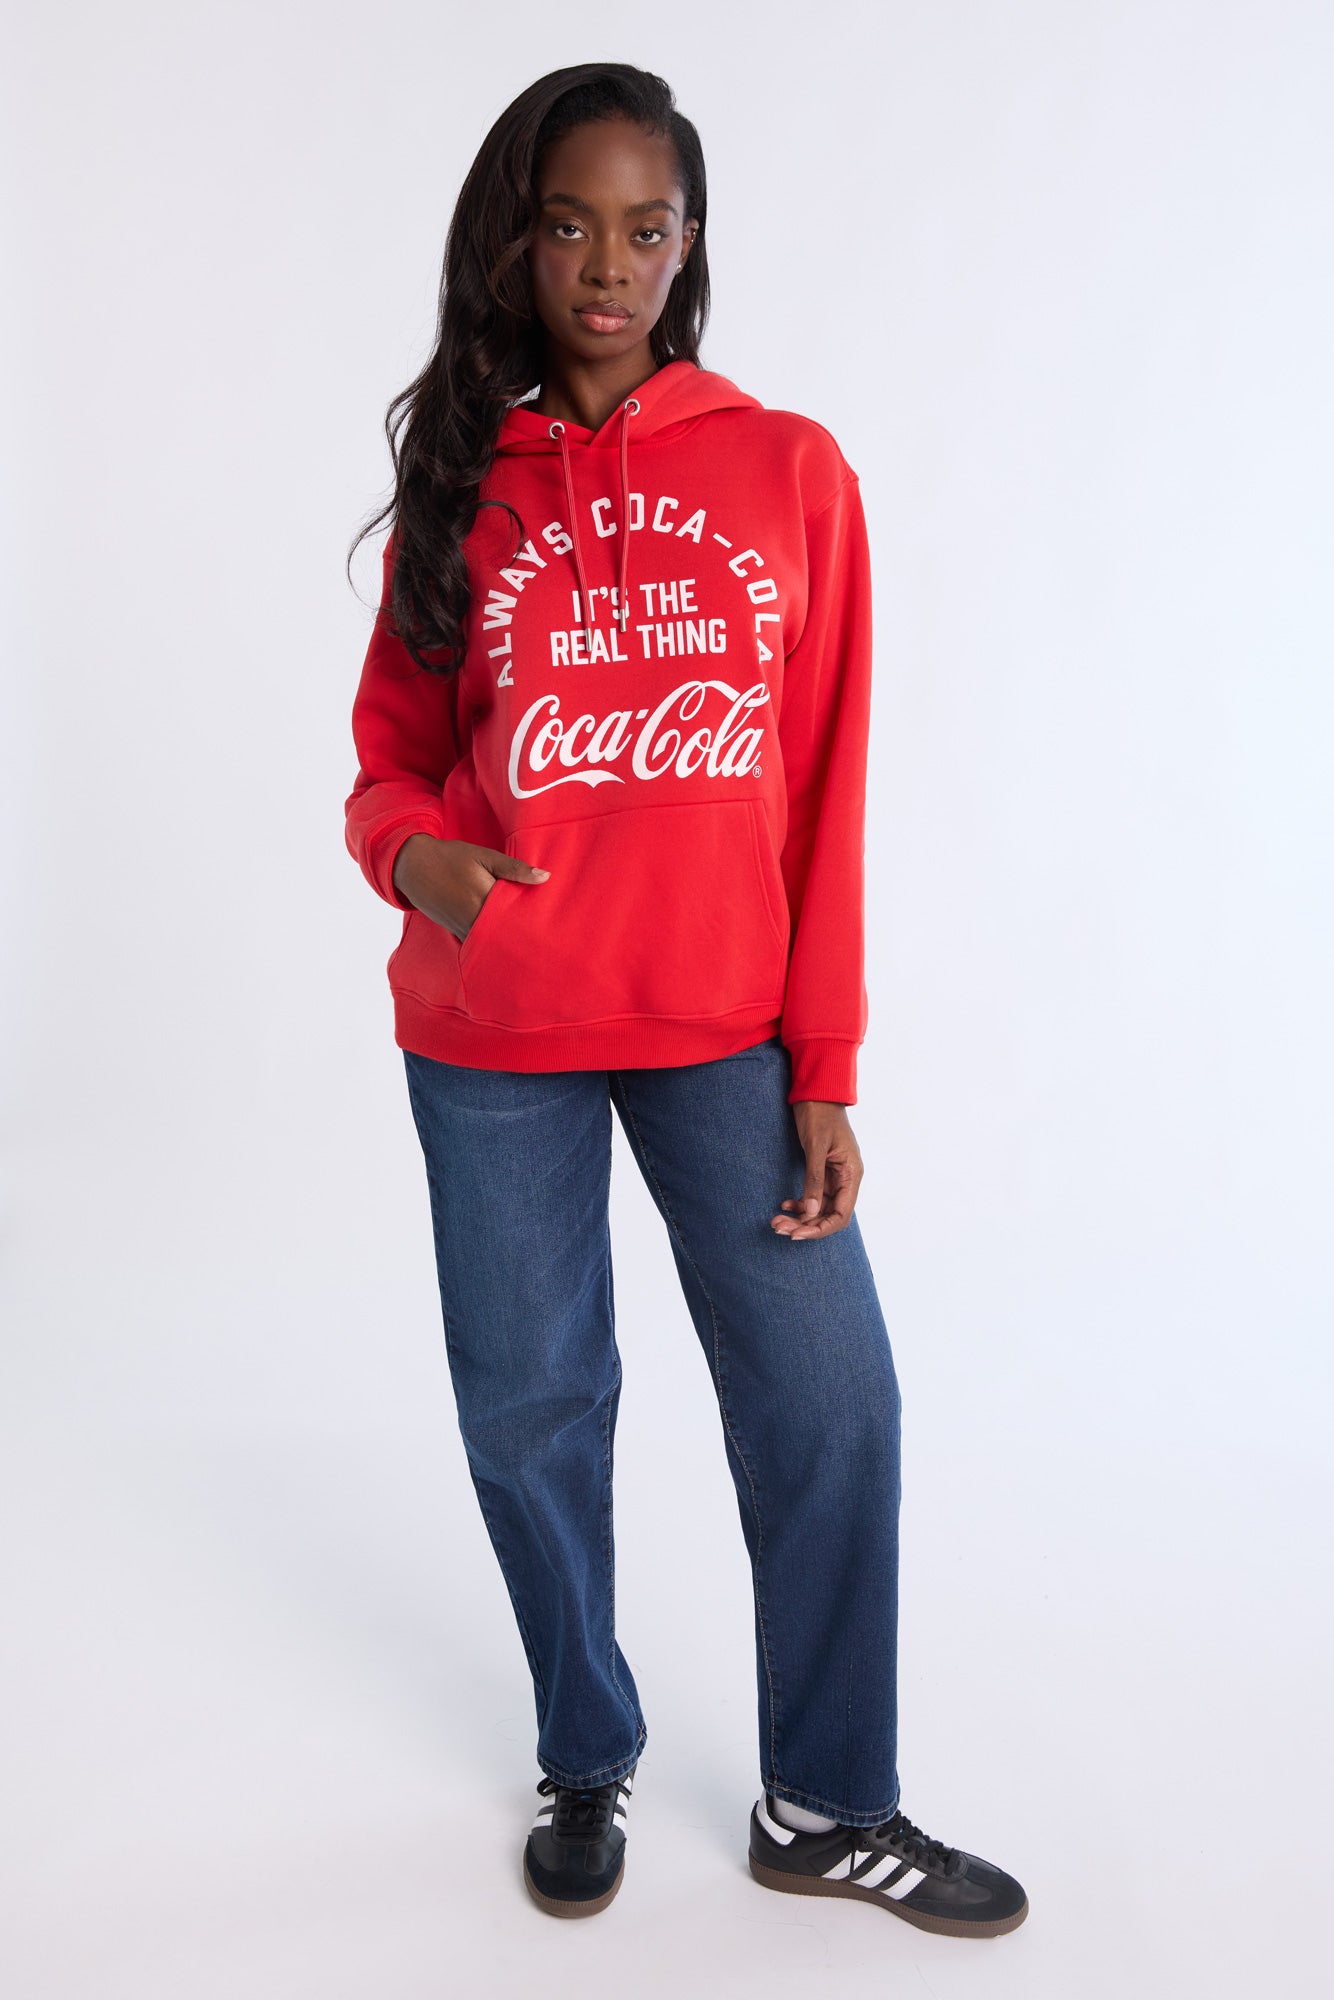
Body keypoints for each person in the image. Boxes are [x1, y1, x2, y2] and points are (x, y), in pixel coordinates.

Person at [344, 61, 1027, 1937]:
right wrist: (420, 862)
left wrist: (827, 1061)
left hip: (725, 1028)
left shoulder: (789, 471)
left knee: (832, 1403)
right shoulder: (463, 489)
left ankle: (827, 1801)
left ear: (689, 244)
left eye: (644, 229)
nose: (606, 266)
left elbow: (827, 790)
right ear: (515, 242)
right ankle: (584, 1746)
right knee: (532, 1410)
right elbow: (385, 763)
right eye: (569, 225)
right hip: (492, 1036)